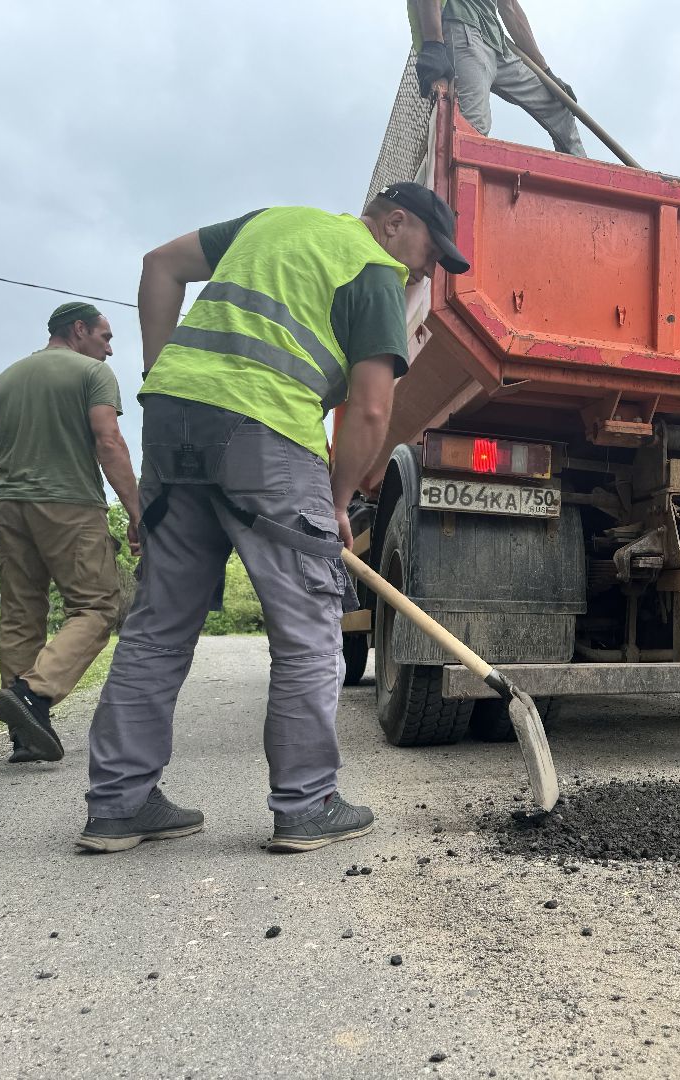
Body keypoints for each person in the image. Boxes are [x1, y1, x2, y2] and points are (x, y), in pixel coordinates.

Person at [79, 183, 469, 854]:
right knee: (310, 626)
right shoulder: (373, 268)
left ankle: (118, 803)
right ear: (396, 224)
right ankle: (307, 802)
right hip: (264, 434)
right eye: (429, 257)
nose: (425, 274)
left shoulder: (272, 222)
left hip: (174, 423)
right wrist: (338, 501)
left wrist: (160, 370)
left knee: (158, 623)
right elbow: (374, 411)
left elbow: (158, 264)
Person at [0, 302, 141, 764]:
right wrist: (136, 512)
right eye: (105, 337)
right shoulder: (91, 375)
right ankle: (33, 695)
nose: (110, 350)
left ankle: (26, 735)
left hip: (7, 504)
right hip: (68, 502)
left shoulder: (2, 381)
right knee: (95, 606)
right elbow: (108, 441)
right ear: (79, 330)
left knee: (19, 610)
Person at [410, 0, 587, 158]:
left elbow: (510, 7)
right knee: (470, 130)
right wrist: (433, 43)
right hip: (464, 32)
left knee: (558, 106)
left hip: (499, 44)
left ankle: (585, 182)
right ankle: (460, 189)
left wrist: (546, 72)